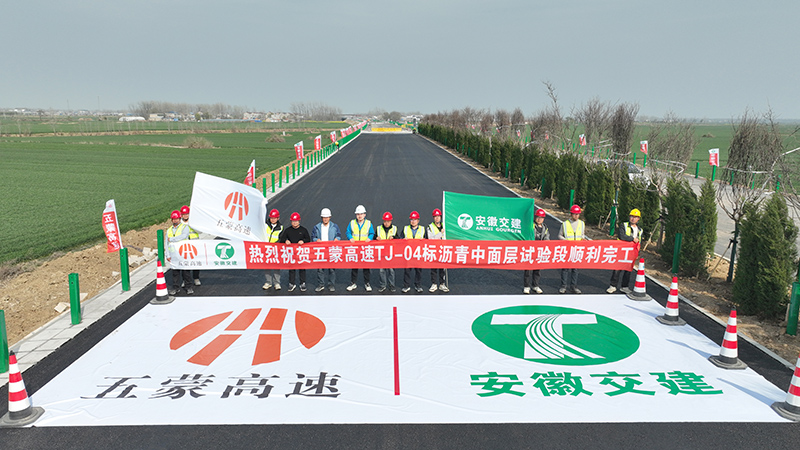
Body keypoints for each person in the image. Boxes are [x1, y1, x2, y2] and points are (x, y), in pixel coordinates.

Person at [608, 208, 643, 294]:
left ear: (638, 218)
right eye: (632, 216)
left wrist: (637, 252)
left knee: (628, 270)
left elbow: (639, 242)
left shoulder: (640, 230)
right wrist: (632, 239)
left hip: (631, 253)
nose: (633, 218)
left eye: (635, 217)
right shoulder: (624, 225)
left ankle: (624, 286)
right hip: (622, 251)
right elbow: (622, 236)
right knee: (617, 269)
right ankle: (613, 286)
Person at [279, 212, 310, 292]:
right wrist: (286, 241)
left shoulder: (303, 230)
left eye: (296, 221)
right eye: (293, 221)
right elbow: (282, 239)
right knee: (291, 269)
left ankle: (302, 283)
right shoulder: (288, 230)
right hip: (291, 253)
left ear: (299, 221)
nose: (295, 223)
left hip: (301, 253)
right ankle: (291, 283)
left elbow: (308, 239)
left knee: (302, 268)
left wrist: (303, 241)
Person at [311, 208, 341, 292]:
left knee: (331, 269)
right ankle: (321, 285)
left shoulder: (334, 226)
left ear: (330, 217)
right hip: (321, 250)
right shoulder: (317, 227)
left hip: (331, 250)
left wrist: (337, 239)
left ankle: (331, 285)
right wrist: (316, 240)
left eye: (327, 217)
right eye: (324, 217)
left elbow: (338, 235)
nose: (325, 219)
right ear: (321, 217)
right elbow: (313, 237)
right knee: (320, 269)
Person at [346, 204, 374, 292]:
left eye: (361, 214)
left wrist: (369, 238)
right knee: (354, 267)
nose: (360, 216)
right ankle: (353, 283)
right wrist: (350, 238)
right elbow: (348, 232)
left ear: (364, 214)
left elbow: (372, 233)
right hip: (355, 248)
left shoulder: (368, 223)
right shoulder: (352, 223)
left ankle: (367, 283)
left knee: (366, 267)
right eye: (358, 214)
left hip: (365, 248)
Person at [558, 204, 586, 294]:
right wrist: (566, 241)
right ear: (571, 214)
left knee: (575, 269)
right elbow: (560, 235)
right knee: (565, 269)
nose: (576, 216)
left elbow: (582, 235)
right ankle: (563, 286)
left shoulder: (582, 224)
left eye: (578, 214)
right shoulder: (565, 224)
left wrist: (583, 239)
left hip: (577, 249)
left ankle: (573, 286)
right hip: (567, 249)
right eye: (574, 214)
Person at [166, 210, 193, 295]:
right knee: (175, 272)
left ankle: (188, 287)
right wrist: (167, 254)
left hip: (183, 253)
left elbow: (183, 236)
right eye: (173, 219)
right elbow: (166, 243)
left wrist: (172, 239)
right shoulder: (169, 230)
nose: (175, 220)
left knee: (186, 272)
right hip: (174, 254)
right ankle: (176, 288)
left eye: (176, 219)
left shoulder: (184, 227)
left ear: (179, 218)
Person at [524, 208, 550, 294]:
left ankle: (535, 285)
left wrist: (546, 242)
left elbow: (547, 237)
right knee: (528, 269)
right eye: (538, 217)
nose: (539, 219)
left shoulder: (545, 228)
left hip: (539, 251)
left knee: (537, 269)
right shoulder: (531, 226)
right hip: (530, 250)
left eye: (541, 217)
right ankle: (527, 286)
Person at [399, 211, 426, 293]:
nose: (413, 221)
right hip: (408, 253)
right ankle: (406, 286)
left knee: (418, 271)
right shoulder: (405, 229)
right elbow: (400, 239)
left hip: (418, 253)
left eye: (415, 220)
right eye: (412, 219)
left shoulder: (422, 229)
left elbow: (427, 240)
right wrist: (403, 240)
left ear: (418, 221)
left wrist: (424, 240)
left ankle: (418, 286)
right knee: (407, 270)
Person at [427, 208, 449, 293]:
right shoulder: (430, 227)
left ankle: (442, 284)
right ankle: (434, 284)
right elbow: (431, 238)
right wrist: (440, 233)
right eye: (435, 217)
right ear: (433, 218)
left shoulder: (445, 226)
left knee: (442, 268)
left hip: (443, 249)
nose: (437, 218)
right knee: (433, 268)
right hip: (434, 249)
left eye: (438, 216)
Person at [376, 212, 398, 293]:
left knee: (391, 270)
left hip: (390, 253)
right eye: (385, 221)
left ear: (391, 221)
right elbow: (374, 238)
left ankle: (392, 285)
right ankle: (383, 285)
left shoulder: (394, 229)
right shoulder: (379, 228)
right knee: (382, 270)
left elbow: (399, 239)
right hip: (382, 253)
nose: (386, 223)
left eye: (388, 221)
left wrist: (394, 237)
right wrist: (376, 238)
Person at [180, 205, 201, 287]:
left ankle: (196, 278)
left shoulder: (193, 222)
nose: (185, 216)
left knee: (195, 263)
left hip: (194, 245)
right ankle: (185, 280)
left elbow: (200, 231)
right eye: (184, 214)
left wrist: (193, 226)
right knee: (184, 264)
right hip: (184, 246)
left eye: (187, 214)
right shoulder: (179, 224)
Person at [263, 208, 283, 291]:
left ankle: (276, 283)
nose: (273, 219)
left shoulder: (280, 227)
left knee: (276, 267)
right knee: (267, 266)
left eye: (275, 218)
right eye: (271, 218)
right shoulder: (265, 225)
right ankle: (268, 282)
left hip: (275, 249)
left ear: (278, 218)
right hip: (266, 248)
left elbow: (281, 238)